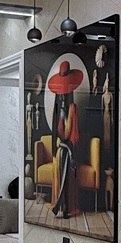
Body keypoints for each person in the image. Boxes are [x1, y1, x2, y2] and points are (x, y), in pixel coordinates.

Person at [46, 59, 84, 218]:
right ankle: (60, 205)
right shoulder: (58, 110)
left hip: (69, 149)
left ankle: (65, 207)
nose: (61, 96)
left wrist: (67, 147)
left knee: (66, 167)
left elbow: (72, 134)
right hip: (60, 148)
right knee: (60, 164)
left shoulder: (72, 109)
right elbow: (57, 131)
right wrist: (58, 143)